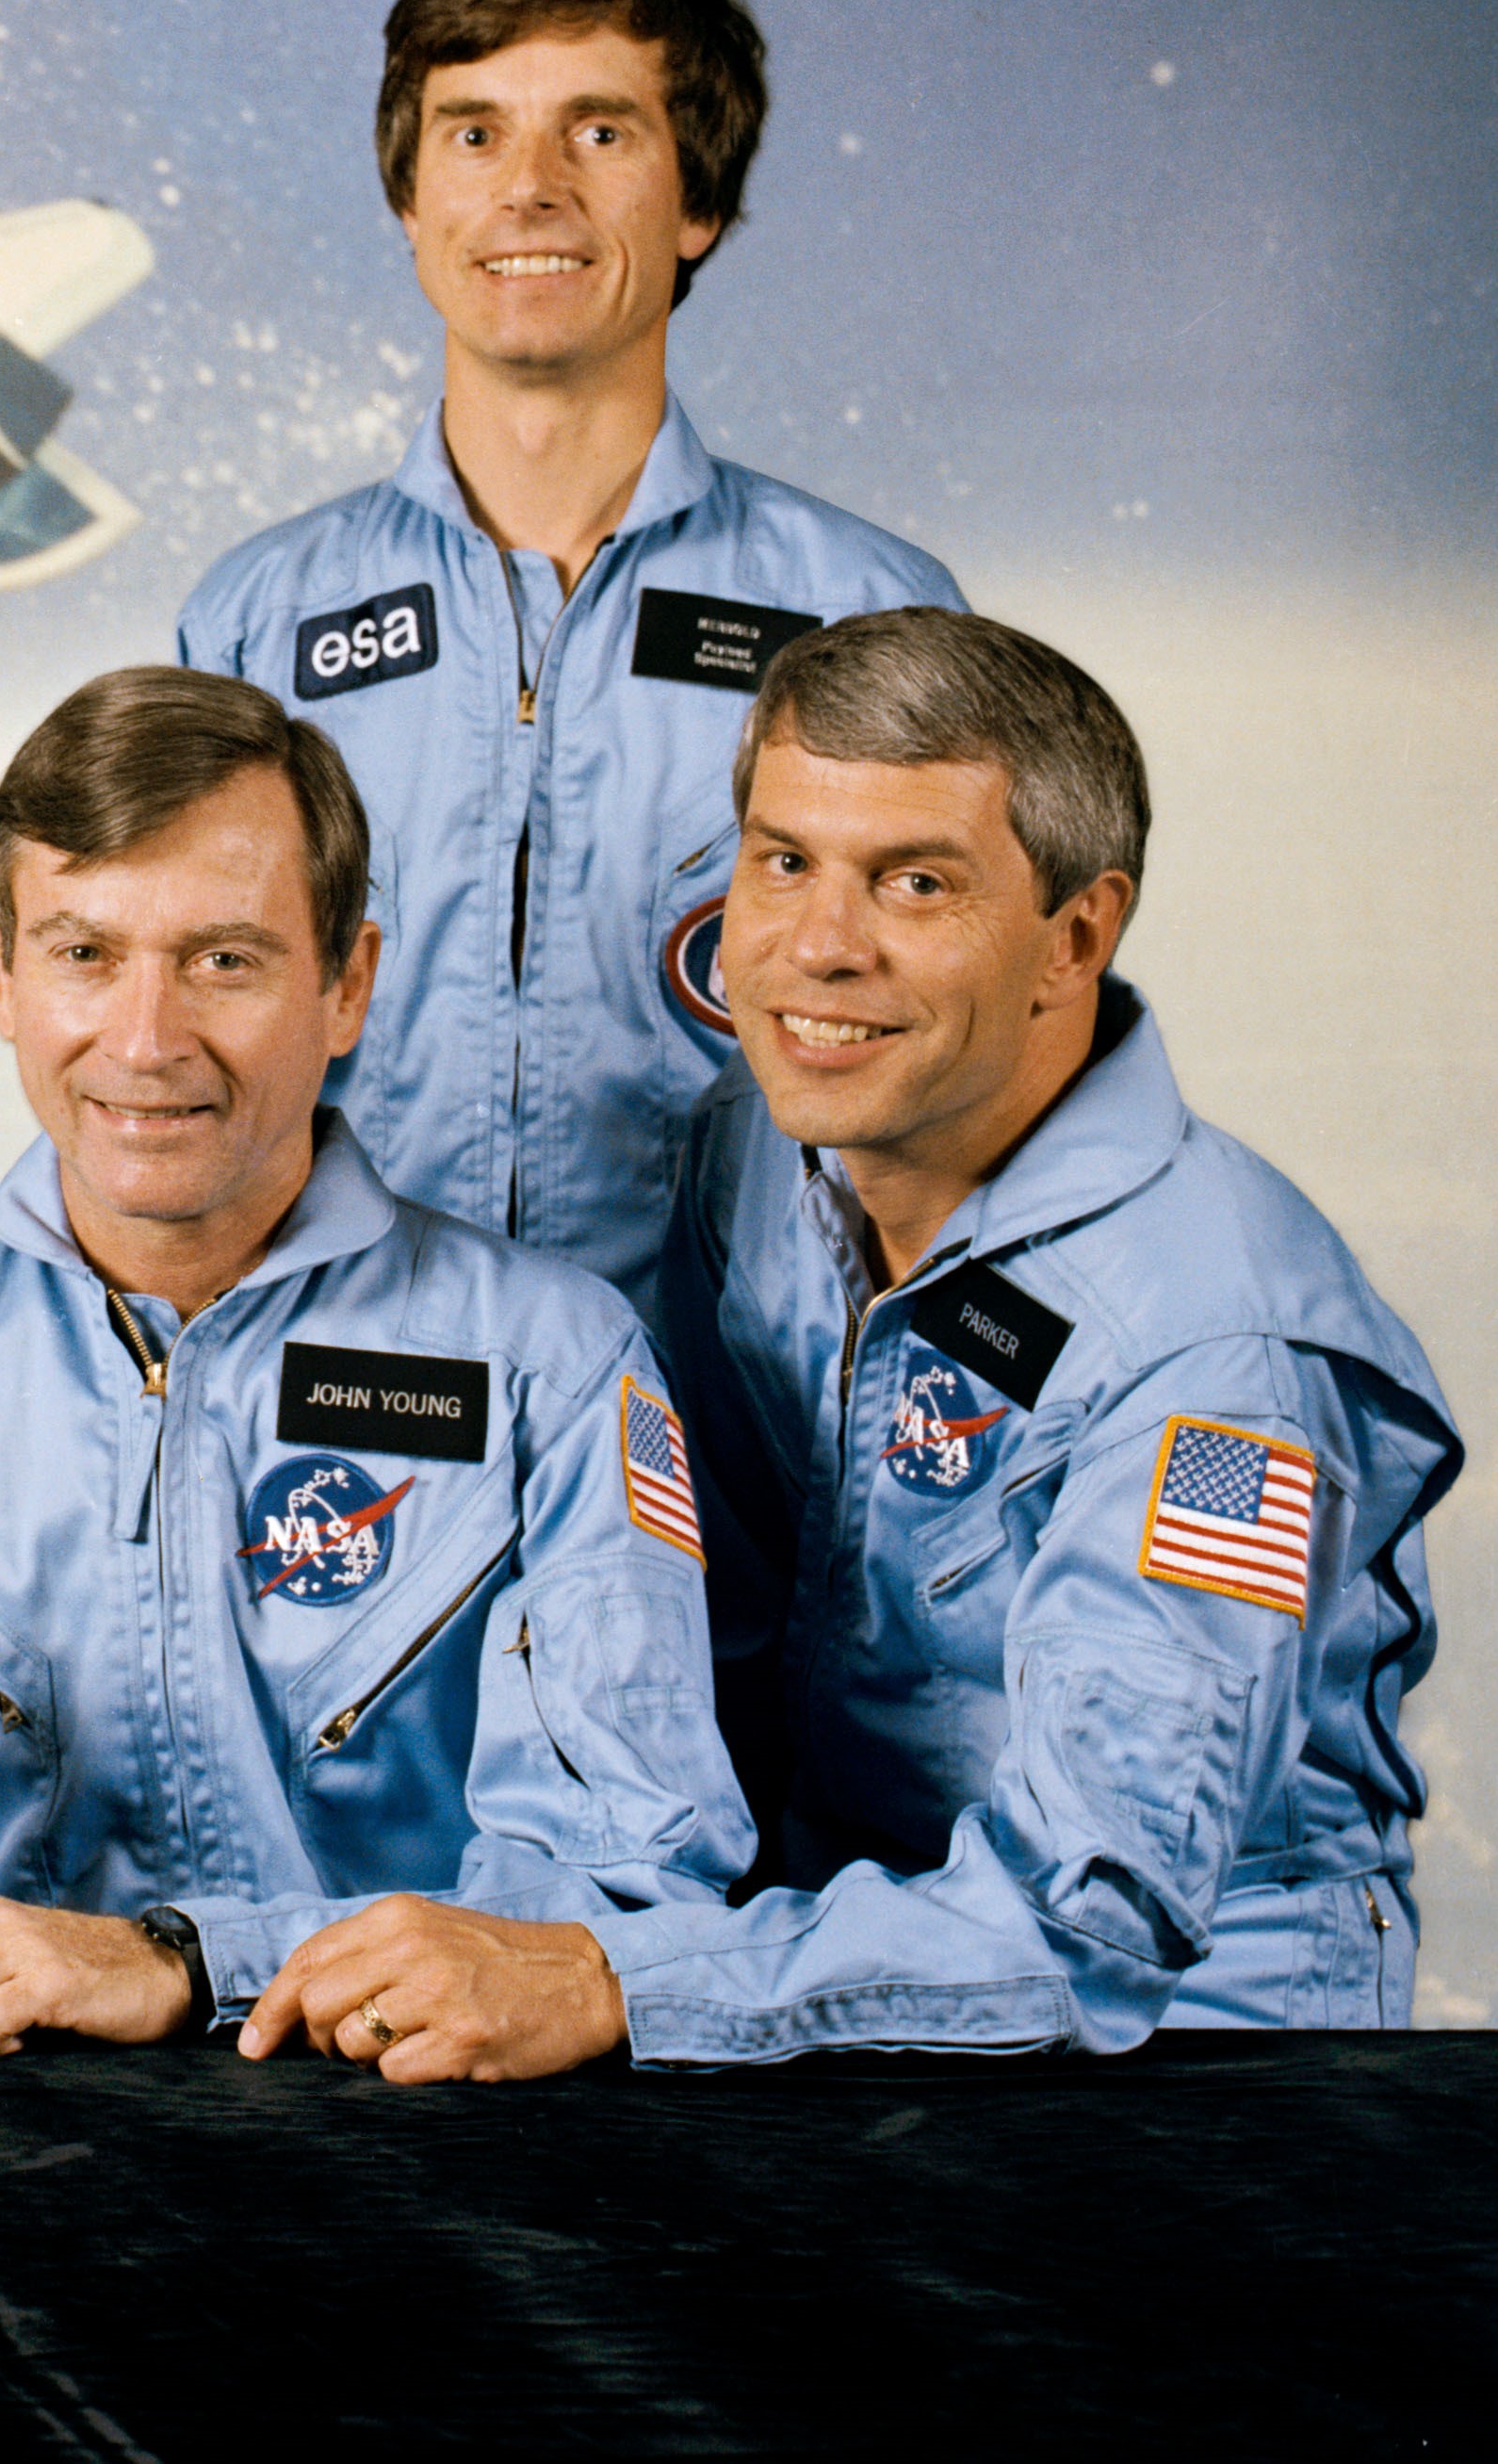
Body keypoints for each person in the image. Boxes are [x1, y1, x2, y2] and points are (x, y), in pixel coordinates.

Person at [250, 611, 1459, 2070]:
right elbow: (708, 1638)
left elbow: (1097, 1920)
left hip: (1198, 2048)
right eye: (783, 862)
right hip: (813, 1966)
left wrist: (623, 1979)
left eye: (916, 882)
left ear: (1074, 936)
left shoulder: (1221, 1364)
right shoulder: (756, 1152)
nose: (819, 950)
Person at [0, 668, 752, 2061]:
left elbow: (628, 1892)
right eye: (84, 955)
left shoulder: (548, 1369)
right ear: (5, 977)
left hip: (409, 2170)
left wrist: (195, 1965)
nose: (145, 1043)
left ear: (348, 985)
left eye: (224, 961)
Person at [175, 0, 960, 1311]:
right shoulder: (258, 625)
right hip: (358, 1417)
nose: (528, 189)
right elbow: (181, 1045)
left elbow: (958, 1076)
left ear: (697, 202)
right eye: (473, 135)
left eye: (599, 135)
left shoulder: (865, 613)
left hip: (740, 1426)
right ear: (412, 207)